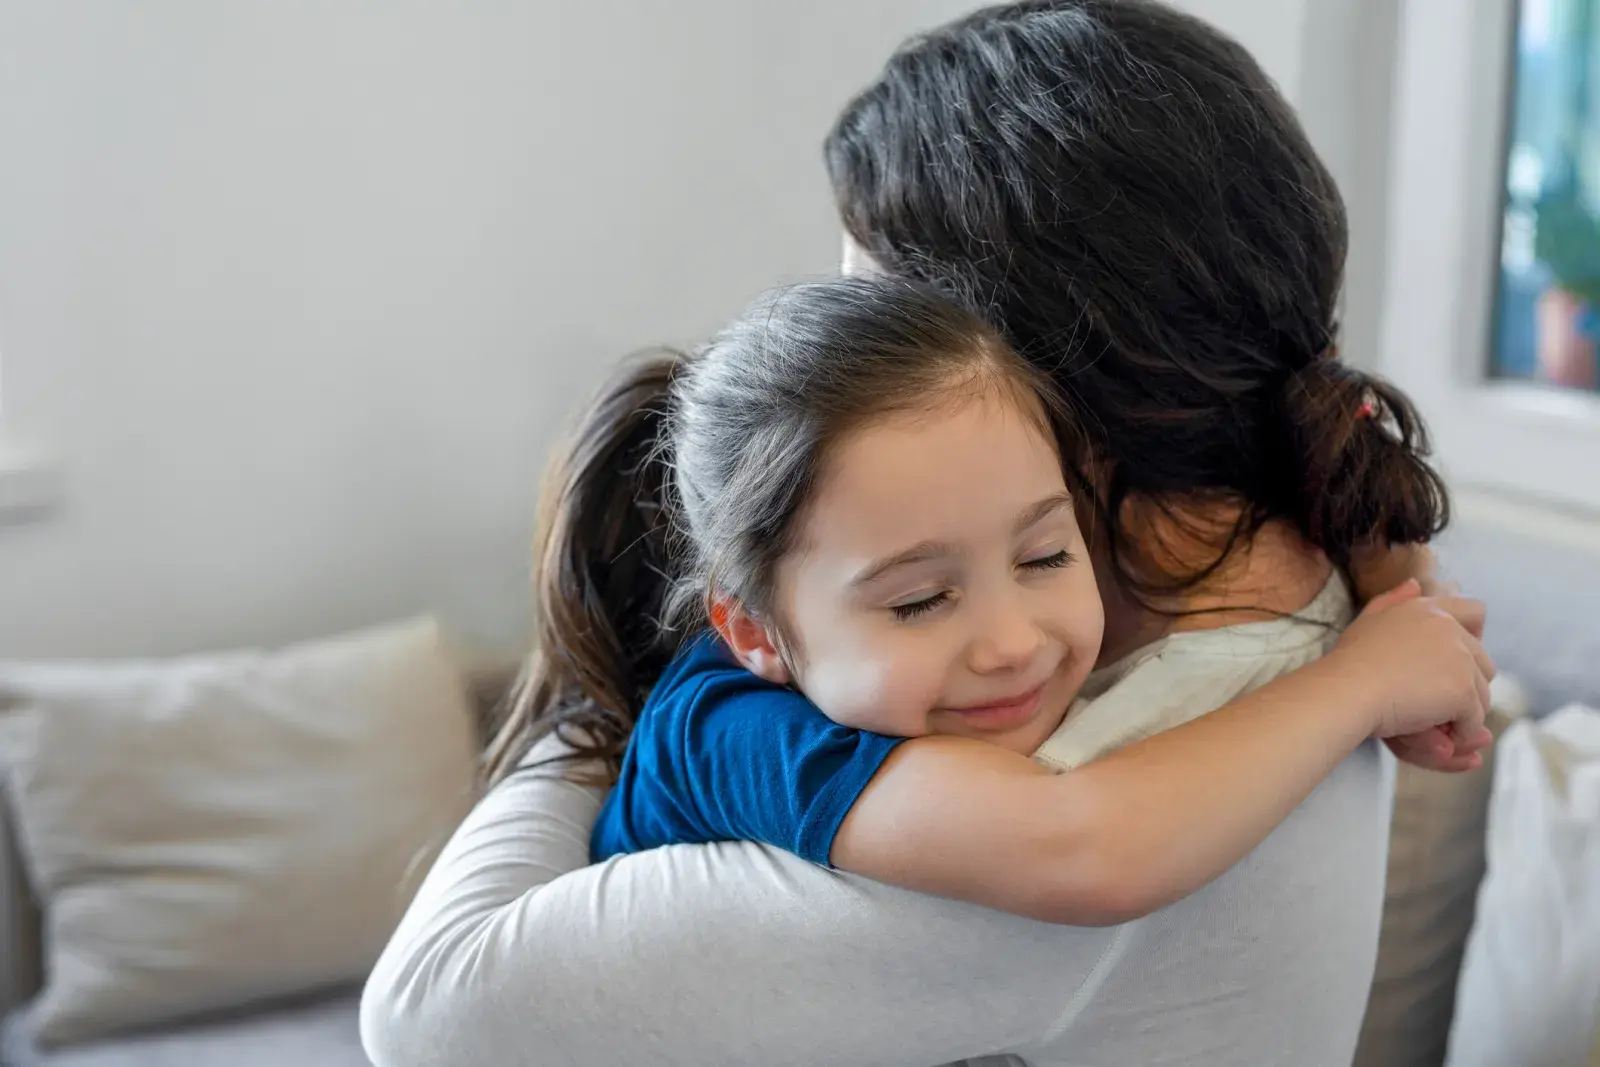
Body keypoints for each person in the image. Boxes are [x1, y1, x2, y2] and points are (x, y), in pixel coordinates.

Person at [361, 3, 1494, 1064]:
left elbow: (434, 1008)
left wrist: (602, 714)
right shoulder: (1310, 578)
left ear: (1034, 384)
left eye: (885, 312)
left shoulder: (1090, 774)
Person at [571, 274, 1486, 926]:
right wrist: (1362, 682)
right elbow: (1088, 849)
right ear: (753, 630)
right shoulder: (727, 733)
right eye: (921, 601)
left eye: (1046, 553)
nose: (1012, 641)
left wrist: (1395, 577)